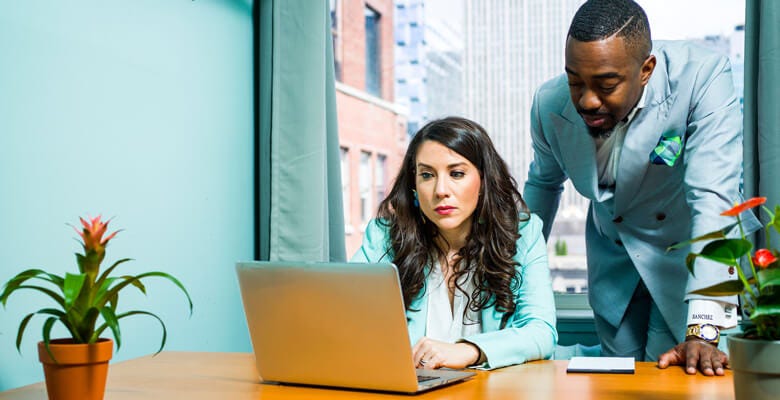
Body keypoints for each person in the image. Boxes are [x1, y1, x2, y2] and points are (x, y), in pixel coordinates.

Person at [524, 0, 759, 376]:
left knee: (692, 379)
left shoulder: (702, 75)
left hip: (692, 261)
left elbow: (713, 199)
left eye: (606, 85)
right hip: (615, 262)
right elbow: (542, 186)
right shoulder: (547, 103)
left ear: (646, 70)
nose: (586, 99)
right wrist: (508, 278)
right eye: (574, 81)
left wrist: (702, 329)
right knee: (621, 382)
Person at [352, 116, 557, 370]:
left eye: (457, 173)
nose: (441, 190)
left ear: (483, 181)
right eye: (427, 175)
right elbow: (345, 317)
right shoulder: (384, 238)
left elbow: (541, 331)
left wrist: (469, 350)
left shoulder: (523, 234)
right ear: (414, 186)